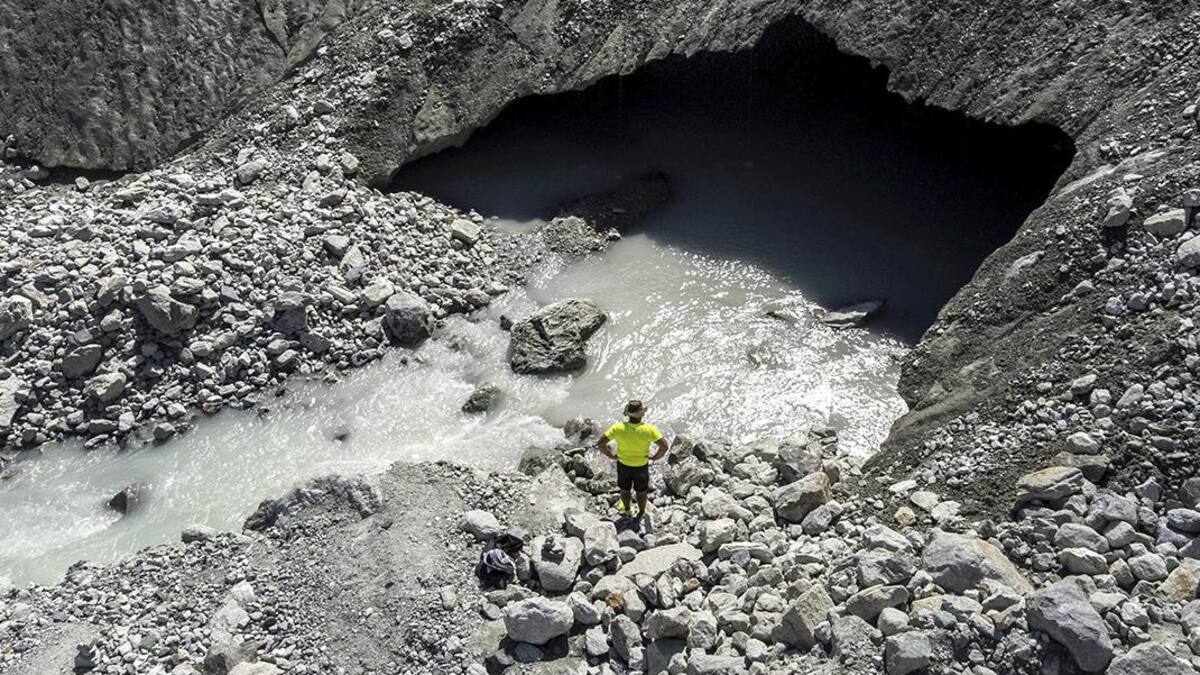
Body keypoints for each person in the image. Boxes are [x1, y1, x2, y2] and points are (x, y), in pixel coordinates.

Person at [596, 399, 669, 518]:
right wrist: (655, 457)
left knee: (625, 490)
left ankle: (627, 509)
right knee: (641, 491)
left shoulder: (618, 427)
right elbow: (664, 446)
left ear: (628, 414)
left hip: (623, 464)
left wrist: (611, 455)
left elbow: (600, 443)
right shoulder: (649, 429)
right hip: (641, 466)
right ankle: (641, 512)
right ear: (641, 414)